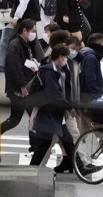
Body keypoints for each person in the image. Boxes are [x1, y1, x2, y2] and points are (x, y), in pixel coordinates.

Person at [29, 44, 75, 172]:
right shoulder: (50, 73)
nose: (66, 59)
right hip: (49, 113)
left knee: (65, 141)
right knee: (45, 144)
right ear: (60, 57)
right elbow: (55, 94)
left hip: (53, 112)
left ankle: (80, 167)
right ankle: (32, 170)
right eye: (65, 57)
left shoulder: (55, 70)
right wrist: (69, 107)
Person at [1, 20, 39, 134]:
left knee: (16, 119)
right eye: (33, 31)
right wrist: (22, 85)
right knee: (32, 118)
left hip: (23, 87)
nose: (34, 34)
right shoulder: (16, 45)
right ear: (24, 30)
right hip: (20, 89)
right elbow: (15, 67)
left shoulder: (24, 43)